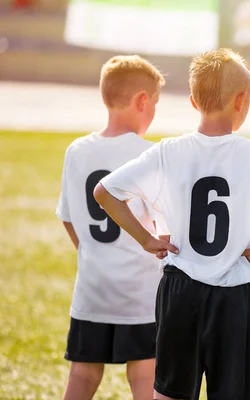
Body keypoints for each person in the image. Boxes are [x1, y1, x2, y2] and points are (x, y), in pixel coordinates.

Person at [94, 48, 250, 400]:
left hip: (180, 290)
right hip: (236, 296)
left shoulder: (168, 151)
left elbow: (104, 191)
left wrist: (146, 239)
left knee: (170, 392)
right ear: (242, 101)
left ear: (193, 101)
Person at [56, 55, 165, 400]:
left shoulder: (77, 150)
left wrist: (92, 253)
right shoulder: (150, 154)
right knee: (145, 372)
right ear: (142, 101)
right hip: (140, 290)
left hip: (92, 287)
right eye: (155, 104)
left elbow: (68, 216)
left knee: (84, 373)